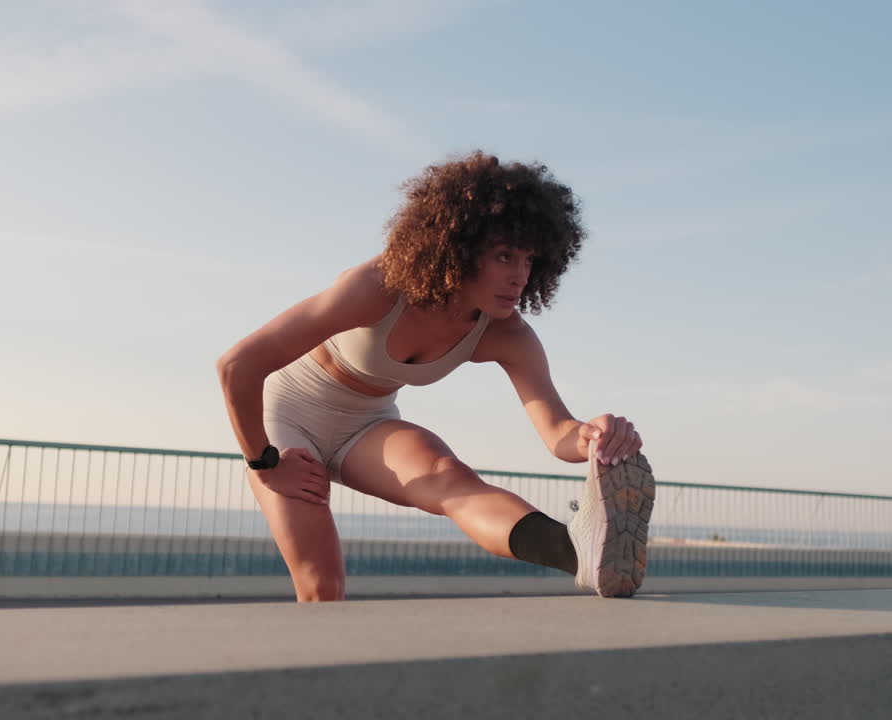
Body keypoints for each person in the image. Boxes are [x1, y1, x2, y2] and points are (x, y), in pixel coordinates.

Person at [217, 151, 655, 602]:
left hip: (366, 425)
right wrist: (265, 463)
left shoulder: (508, 335)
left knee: (452, 479)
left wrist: (591, 437)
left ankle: (579, 552)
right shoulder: (377, 287)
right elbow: (238, 365)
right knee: (322, 586)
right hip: (288, 417)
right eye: (504, 256)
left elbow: (556, 432)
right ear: (458, 246)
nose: (519, 276)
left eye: (529, 260)